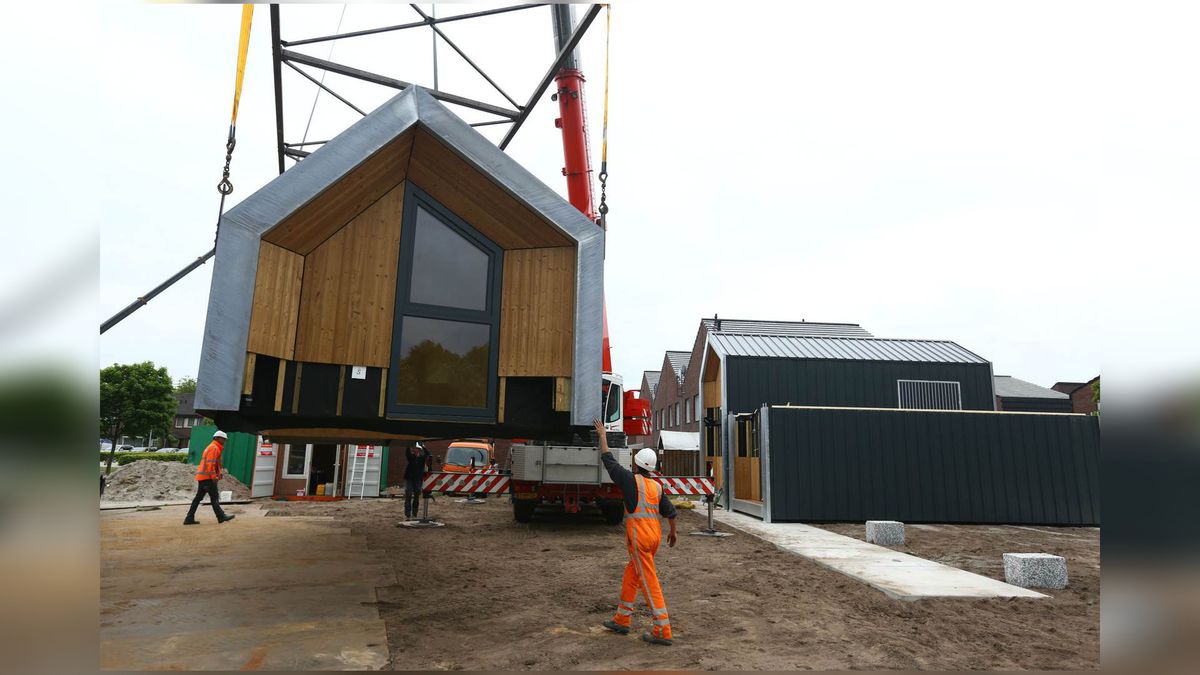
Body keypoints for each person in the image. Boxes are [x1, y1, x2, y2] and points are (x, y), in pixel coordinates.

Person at [594, 418, 678, 646]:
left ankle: (663, 629)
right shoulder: (657, 486)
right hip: (654, 540)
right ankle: (622, 618)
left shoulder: (630, 481)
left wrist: (602, 436)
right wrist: (672, 533)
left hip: (639, 540)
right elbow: (671, 513)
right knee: (631, 576)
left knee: (649, 582)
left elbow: (608, 460)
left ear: (636, 463)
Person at [183, 430, 235, 525]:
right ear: (217, 438)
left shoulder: (213, 447)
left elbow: (214, 463)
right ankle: (221, 517)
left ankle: (189, 518)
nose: (224, 441)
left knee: (198, 498)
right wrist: (213, 476)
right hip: (208, 478)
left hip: (203, 477)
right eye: (223, 439)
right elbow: (210, 463)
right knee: (214, 498)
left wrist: (218, 473)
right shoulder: (214, 448)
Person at [404, 442, 431, 519]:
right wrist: (409, 443)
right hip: (410, 479)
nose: (413, 449)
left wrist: (423, 446)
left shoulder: (422, 458)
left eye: (415, 448)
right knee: (408, 494)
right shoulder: (411, 457)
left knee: (416, 496)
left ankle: (414, 514)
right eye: (413, 448)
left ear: (419, 450)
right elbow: (407, 452)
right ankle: (407, 514)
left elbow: (428, 454)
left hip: (418, 479)